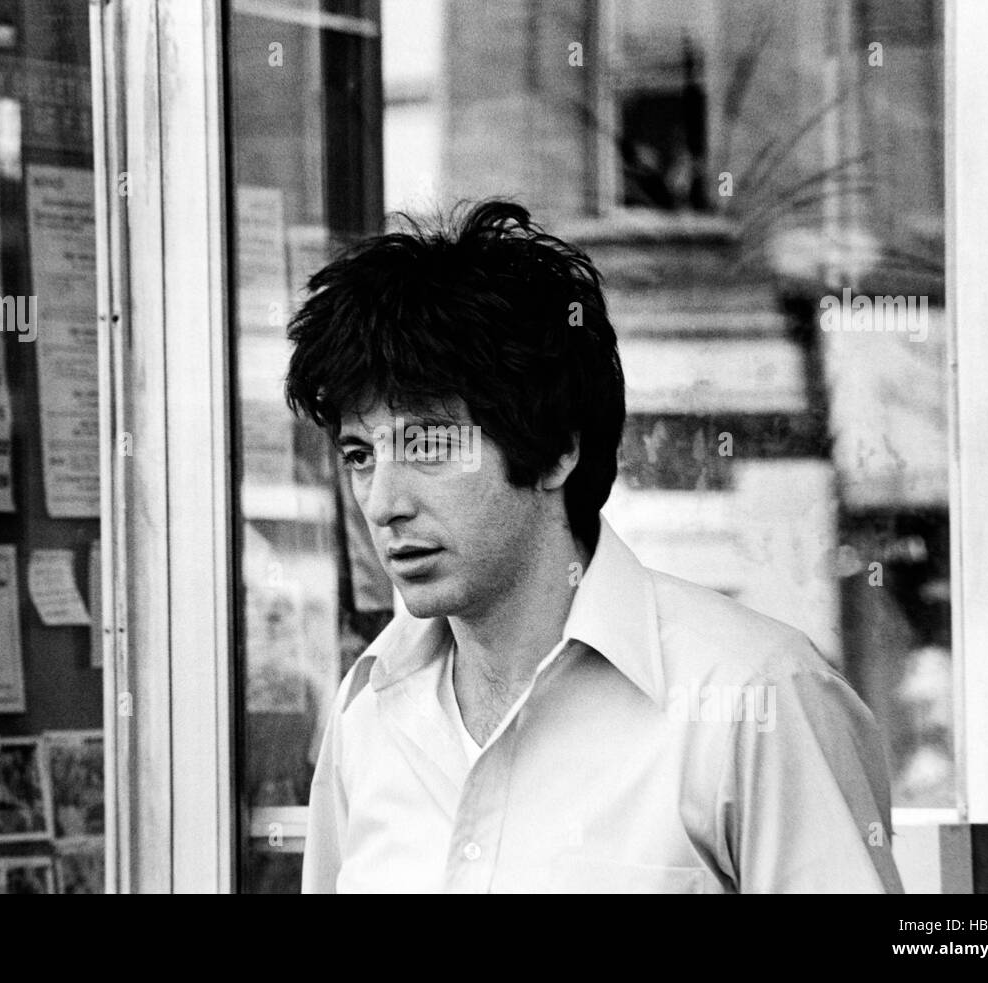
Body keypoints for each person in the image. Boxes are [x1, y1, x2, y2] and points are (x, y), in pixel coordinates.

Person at [284, 199, 903, 894]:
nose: (383, 501)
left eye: (429, 445)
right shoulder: (370, 707)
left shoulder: (754, 694)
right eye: (360, 454)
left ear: (555, 452)